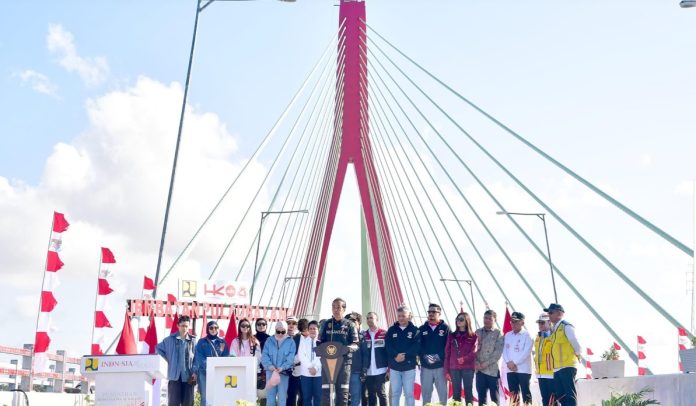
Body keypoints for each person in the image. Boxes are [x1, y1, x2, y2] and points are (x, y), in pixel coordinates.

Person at [319, 297, 360, 406]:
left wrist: (345, 349)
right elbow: (319, 342)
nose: (336, 310)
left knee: (343, 393)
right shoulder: (325, 324)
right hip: (328, 363)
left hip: (345, 363)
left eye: (338, 307)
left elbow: (356, 344)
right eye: (333, 307)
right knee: (326, 393)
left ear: (344, 309)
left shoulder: (350, 325)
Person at [156, 315, 197, 406]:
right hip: (174, 377)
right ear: (178, 326)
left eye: (186, 326)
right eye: (182, 326)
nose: (184, 328)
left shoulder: (193, 341)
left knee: (188, 403)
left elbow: (196, 359)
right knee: (173, 403)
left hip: (188, 377)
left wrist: (194, 372)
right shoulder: (169, 340)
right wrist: (166, 360)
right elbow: (158, 349)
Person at [546, 303, 581, 406]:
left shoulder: (566, 326)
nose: (549, 315)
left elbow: (576, 344)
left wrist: (577, 356)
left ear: (559, 313)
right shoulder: (554, 330)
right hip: (557, 368)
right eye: (548, 313)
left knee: (570, 396)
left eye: (551, 312)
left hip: (567, 366)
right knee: (561, 396)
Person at [385, 305, 420, 406]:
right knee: (395, 394)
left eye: (403, 316)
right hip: (394, 367)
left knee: (409, 394)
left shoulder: (415, 330)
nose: (400, 318)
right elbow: (387, 345)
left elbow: (416, 346)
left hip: (409, 367)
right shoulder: (391, 330)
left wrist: (405, 356)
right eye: (399, 316)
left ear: (409, 316)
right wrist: (396, 356)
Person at [192, 320, 230, 406]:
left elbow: (226, 356)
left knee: (219, 396)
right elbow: (199, 356)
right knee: (205, 397)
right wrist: (209, 367)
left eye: (216, 328)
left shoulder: (222, 342)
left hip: (219, 373)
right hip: (204, 373)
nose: (213, 329)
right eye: (211, 328)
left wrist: (218, 368)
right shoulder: (202, 341)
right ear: (207, 329)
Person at [418, 303, 450, 404]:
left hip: (440, 367)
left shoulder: (446, 328)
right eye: (429, 312)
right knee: (426, 395)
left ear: (439, 314)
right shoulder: (422, 328)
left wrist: (437, 357)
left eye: (434, 312)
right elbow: (418, 346)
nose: (431, 314)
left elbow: (448, 346)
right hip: (426, 367)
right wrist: (425, 357)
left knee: (443, 395)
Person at [444, 311, 477, 405]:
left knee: (468, 393)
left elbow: (474, 352)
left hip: (468, 368)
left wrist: (464, 359)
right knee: (456, 394)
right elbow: (447, 353)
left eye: (461, 319)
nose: (458, 321)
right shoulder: (451, 335)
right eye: (457, 319)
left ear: (467, 321)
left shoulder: (473, 336)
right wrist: (446, 371)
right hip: (454, 368)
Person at [261, 321, 296, 406]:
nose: (280, 334)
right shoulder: (269, 340)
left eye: (283, 332)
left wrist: (283, 367)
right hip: (270, 372)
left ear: (286, 331)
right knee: (270, 396)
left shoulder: (291, 342)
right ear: (275, 330)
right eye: (278, 331)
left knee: (282, 397)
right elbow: (264, 355)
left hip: (283, 373)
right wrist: (270, 366)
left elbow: (291, 358)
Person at [503, 312, 533, 405]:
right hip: (510, 369)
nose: (513, 324)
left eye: (516, 322)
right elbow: (504, 351)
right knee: (513, 395)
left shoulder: (527, 335)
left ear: (522, 323)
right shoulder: (507, 335)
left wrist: (514, 363)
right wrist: (509, 363)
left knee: (526, 394)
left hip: (523, 369)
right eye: (512, 322)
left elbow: (526, 352)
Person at [475, 309, 504, 406]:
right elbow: (472, 350)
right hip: (479, 371)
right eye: (485, 318)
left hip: (492, 371)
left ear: (495, 320)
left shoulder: (498, 333)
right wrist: (476, 363)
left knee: (494, 399)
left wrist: (485, 364)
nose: (486, 320)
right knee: (481, 399)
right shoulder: (477, 332)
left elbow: (498, 353)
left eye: (489, 318)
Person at [362, 312, 388, 406]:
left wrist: (389, 369)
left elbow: (388, 351)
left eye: (371, 318)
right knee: (371, 394)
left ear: (377, 319)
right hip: (368, 370)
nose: (369, 320)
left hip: (381, 370)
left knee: (381, 393)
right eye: (368, 318)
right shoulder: (363, 335)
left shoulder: (384, 333)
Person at [298, 320, 322, 406]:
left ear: (318, 330)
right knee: (306, 398)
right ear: (308, 330)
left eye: (314, 329)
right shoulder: (303, 341)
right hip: (306, 374)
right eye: (310, 328)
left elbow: (321, 357)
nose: (312, 330)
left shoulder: (321, 342)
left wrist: (315, 368)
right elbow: (301, 356)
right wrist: (310, 367)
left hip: (318, 374)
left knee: (318, 397)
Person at [533, 312, 554, 406]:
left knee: (553, 400)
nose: (540, 325)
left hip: (551, 373)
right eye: (539, 323)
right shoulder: (538, 337)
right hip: (541, 374)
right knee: (545, 400)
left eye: (542, 323)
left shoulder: (553, 335)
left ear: (549, 322)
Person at [347, 312, 367, 406]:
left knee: (356, 398)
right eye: (349, 322)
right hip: (343, 372)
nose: (352, 324)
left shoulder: (362, 338)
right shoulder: (342, 337)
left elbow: (365, 355)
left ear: (359, 324)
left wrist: (364, 370)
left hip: (356, 372)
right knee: (340, 397)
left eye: (354, 322)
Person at [289, 318, 308, 406]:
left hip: (307, 372)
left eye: (306, 329)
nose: (304, 331)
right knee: (292, 395)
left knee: (304, 396)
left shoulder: (313, 339)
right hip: (295, 371)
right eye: (302, 329)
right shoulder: (295, 338)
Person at [256, 317, 271, 405]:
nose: (261, 326)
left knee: (265, 395)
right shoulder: (252, 338)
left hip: (266, 369)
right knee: (252, 393)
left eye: (263, 324)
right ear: (255, 326)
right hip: (254, 368)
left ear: (266, 326)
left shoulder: (270, 339)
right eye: (259, 324)